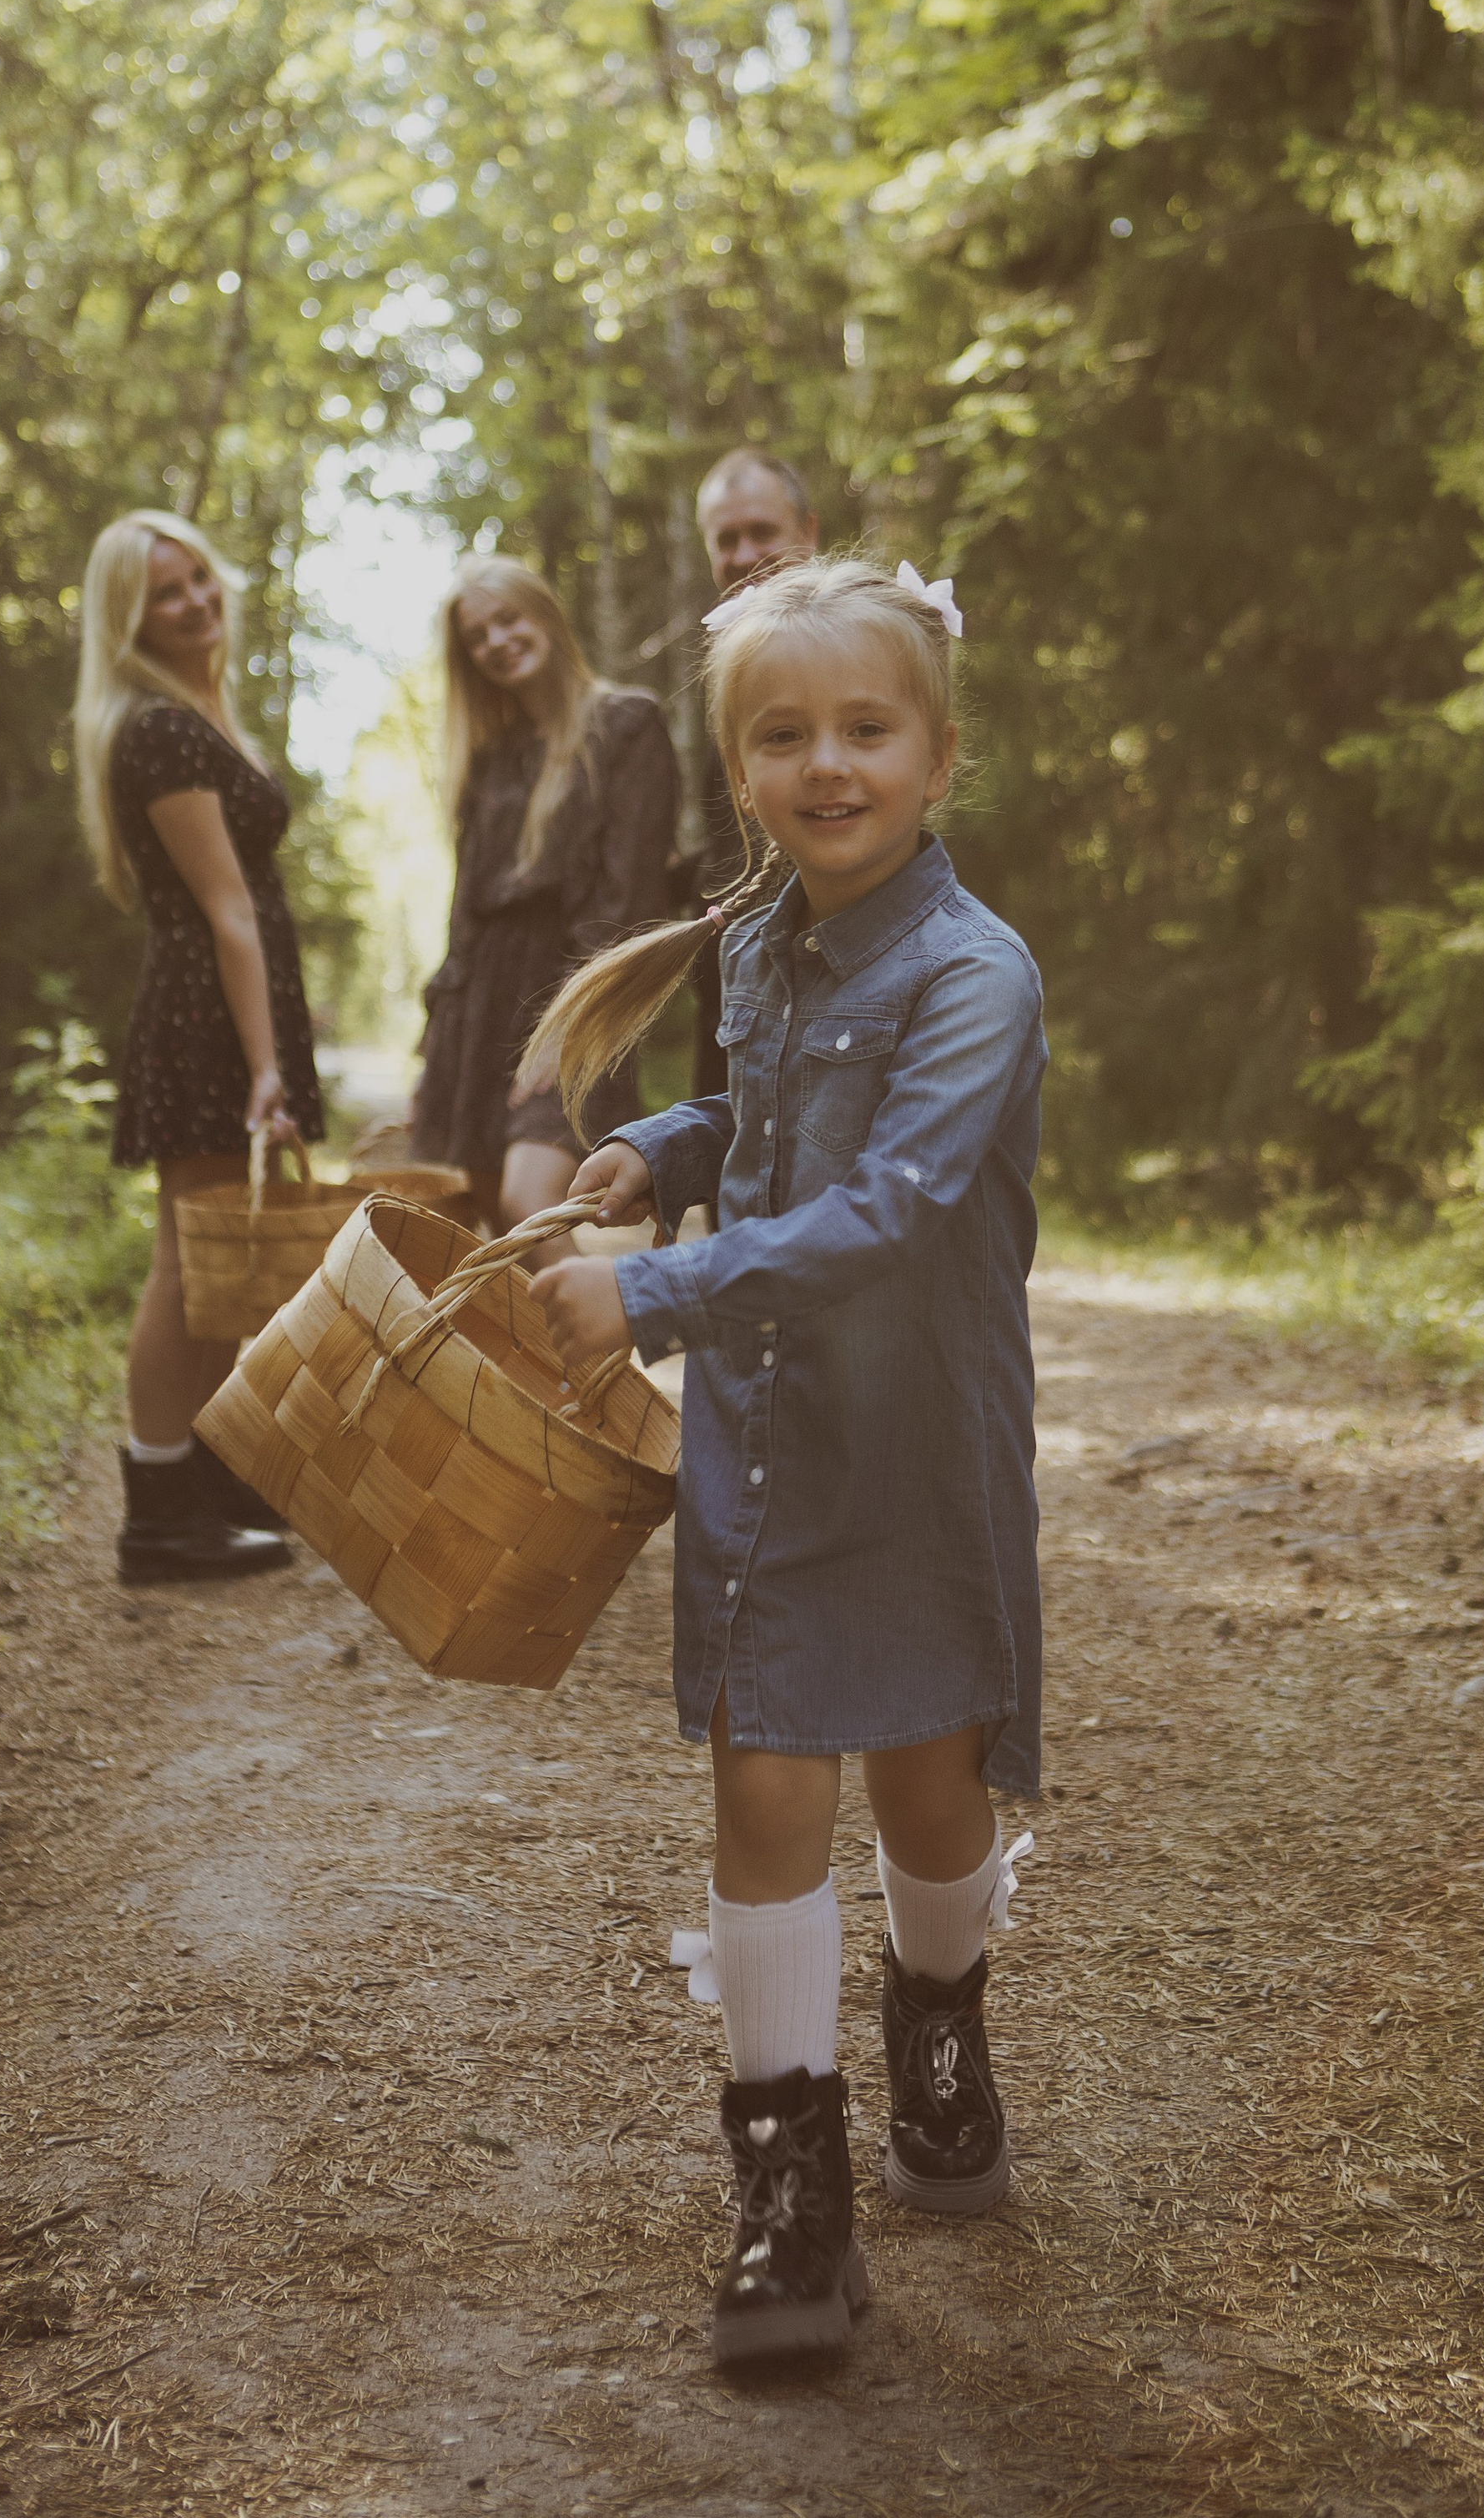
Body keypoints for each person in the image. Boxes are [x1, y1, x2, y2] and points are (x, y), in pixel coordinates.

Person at [521, 555, 1046, 2369]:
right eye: (782, 735)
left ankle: (938, 2011)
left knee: (926, 1793)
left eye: (863, 730)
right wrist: (663, 1147)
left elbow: (893, 1204)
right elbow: (769, 1107)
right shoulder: (758, 937)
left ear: (933, 752)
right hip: (769, 1438)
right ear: (740, 769)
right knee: (762, 1797)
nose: (826, 764)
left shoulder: (980, 975)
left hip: (912, 1444)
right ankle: (789, 2210)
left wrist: (647, 1290)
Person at [74, 510, 323, 1583]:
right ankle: (158, 1508)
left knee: (222, 1258)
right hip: (209, 1016)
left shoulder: (194, 712)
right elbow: (227, 910)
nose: (194, 601)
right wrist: (263, 1063)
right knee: (188, 1259)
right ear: (130, 616)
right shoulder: (160, 730)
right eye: (164, 592)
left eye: (198, 579)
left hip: (232, 1003)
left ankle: (204, 1477)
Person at [409, 556, 679, 1229]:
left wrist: (568, 1030)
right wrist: (433, 1054)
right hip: (477, 1016)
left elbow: (629, 905)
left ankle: (596, 1329)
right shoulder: (489, 757)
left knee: (528, 1207)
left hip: (577, 999)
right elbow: (464, 920)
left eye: (508, 620)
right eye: (477, 637)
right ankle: (533, 1340)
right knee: (480, 1228)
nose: (496, 642)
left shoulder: (627, 725)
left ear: (547, 617)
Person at [689, 452, 818, 1097]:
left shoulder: (867, 642)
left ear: (809, 532)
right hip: (732, 972)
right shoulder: (717, 667)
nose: (745, 555)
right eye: (725, 539)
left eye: (762, 532)